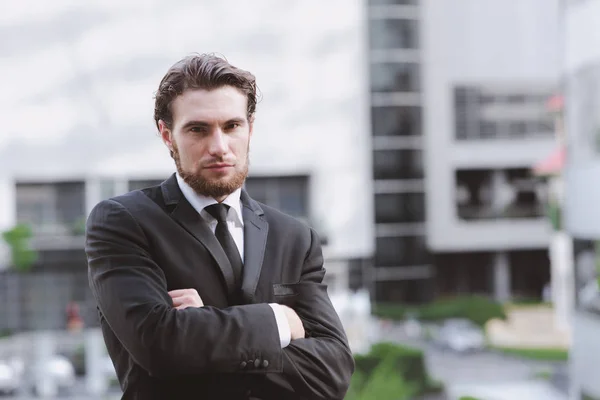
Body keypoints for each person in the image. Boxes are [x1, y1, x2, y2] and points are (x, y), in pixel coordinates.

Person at [85, 53, 354, 400]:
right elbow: (158, 346)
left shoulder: (295, 238)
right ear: (167, 135)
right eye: (198, 129)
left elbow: (332, 372)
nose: (219, 147)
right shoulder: (123, 221)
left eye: (231, 126)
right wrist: (278, 320)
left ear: (250, 128)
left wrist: (202, 332)